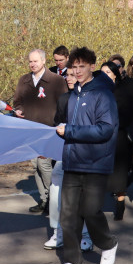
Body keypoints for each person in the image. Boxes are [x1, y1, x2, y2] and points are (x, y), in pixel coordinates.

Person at [52, 48, 119, 264]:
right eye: (74, 67)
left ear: (92, 66)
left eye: (82, 66)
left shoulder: (103, 95)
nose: (77, 71)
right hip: (72, 161)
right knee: (68, 216)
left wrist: (70, 130)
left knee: (91, 211)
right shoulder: (73, 96)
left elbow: (105, 129)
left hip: (96, 163)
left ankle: (108, 244)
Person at [13, 49, 68, 214]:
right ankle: (44, 199)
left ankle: (55, 198)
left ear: (43, 61)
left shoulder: (56, 80)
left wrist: (60, 124)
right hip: (30, 130)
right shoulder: (24, 80)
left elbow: (64, 103)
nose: (32, 64)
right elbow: (18, 100)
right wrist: (18, 109)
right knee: (36, 165)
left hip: (48, 129)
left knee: (44, 164)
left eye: (35, 61)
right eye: (30, 61)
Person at [44, 71, 92, 251]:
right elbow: (57, 123)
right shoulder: (64, 98)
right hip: (65, 152)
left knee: (82, 195)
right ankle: (59, 232)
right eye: (68, 75)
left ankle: (86, 234)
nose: (69, 78)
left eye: (74, 74)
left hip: (86, 153)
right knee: (56, 184)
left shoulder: (93, 97)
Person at [100, 61, 133, 221]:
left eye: (108, 72)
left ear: (115, 74)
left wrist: (131, 130)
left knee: (119, 171)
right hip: (102, 135)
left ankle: (120, 202)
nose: (105, 75)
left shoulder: (125, 88)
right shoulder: (98, 90)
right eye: (102, 72)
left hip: (121, 134)